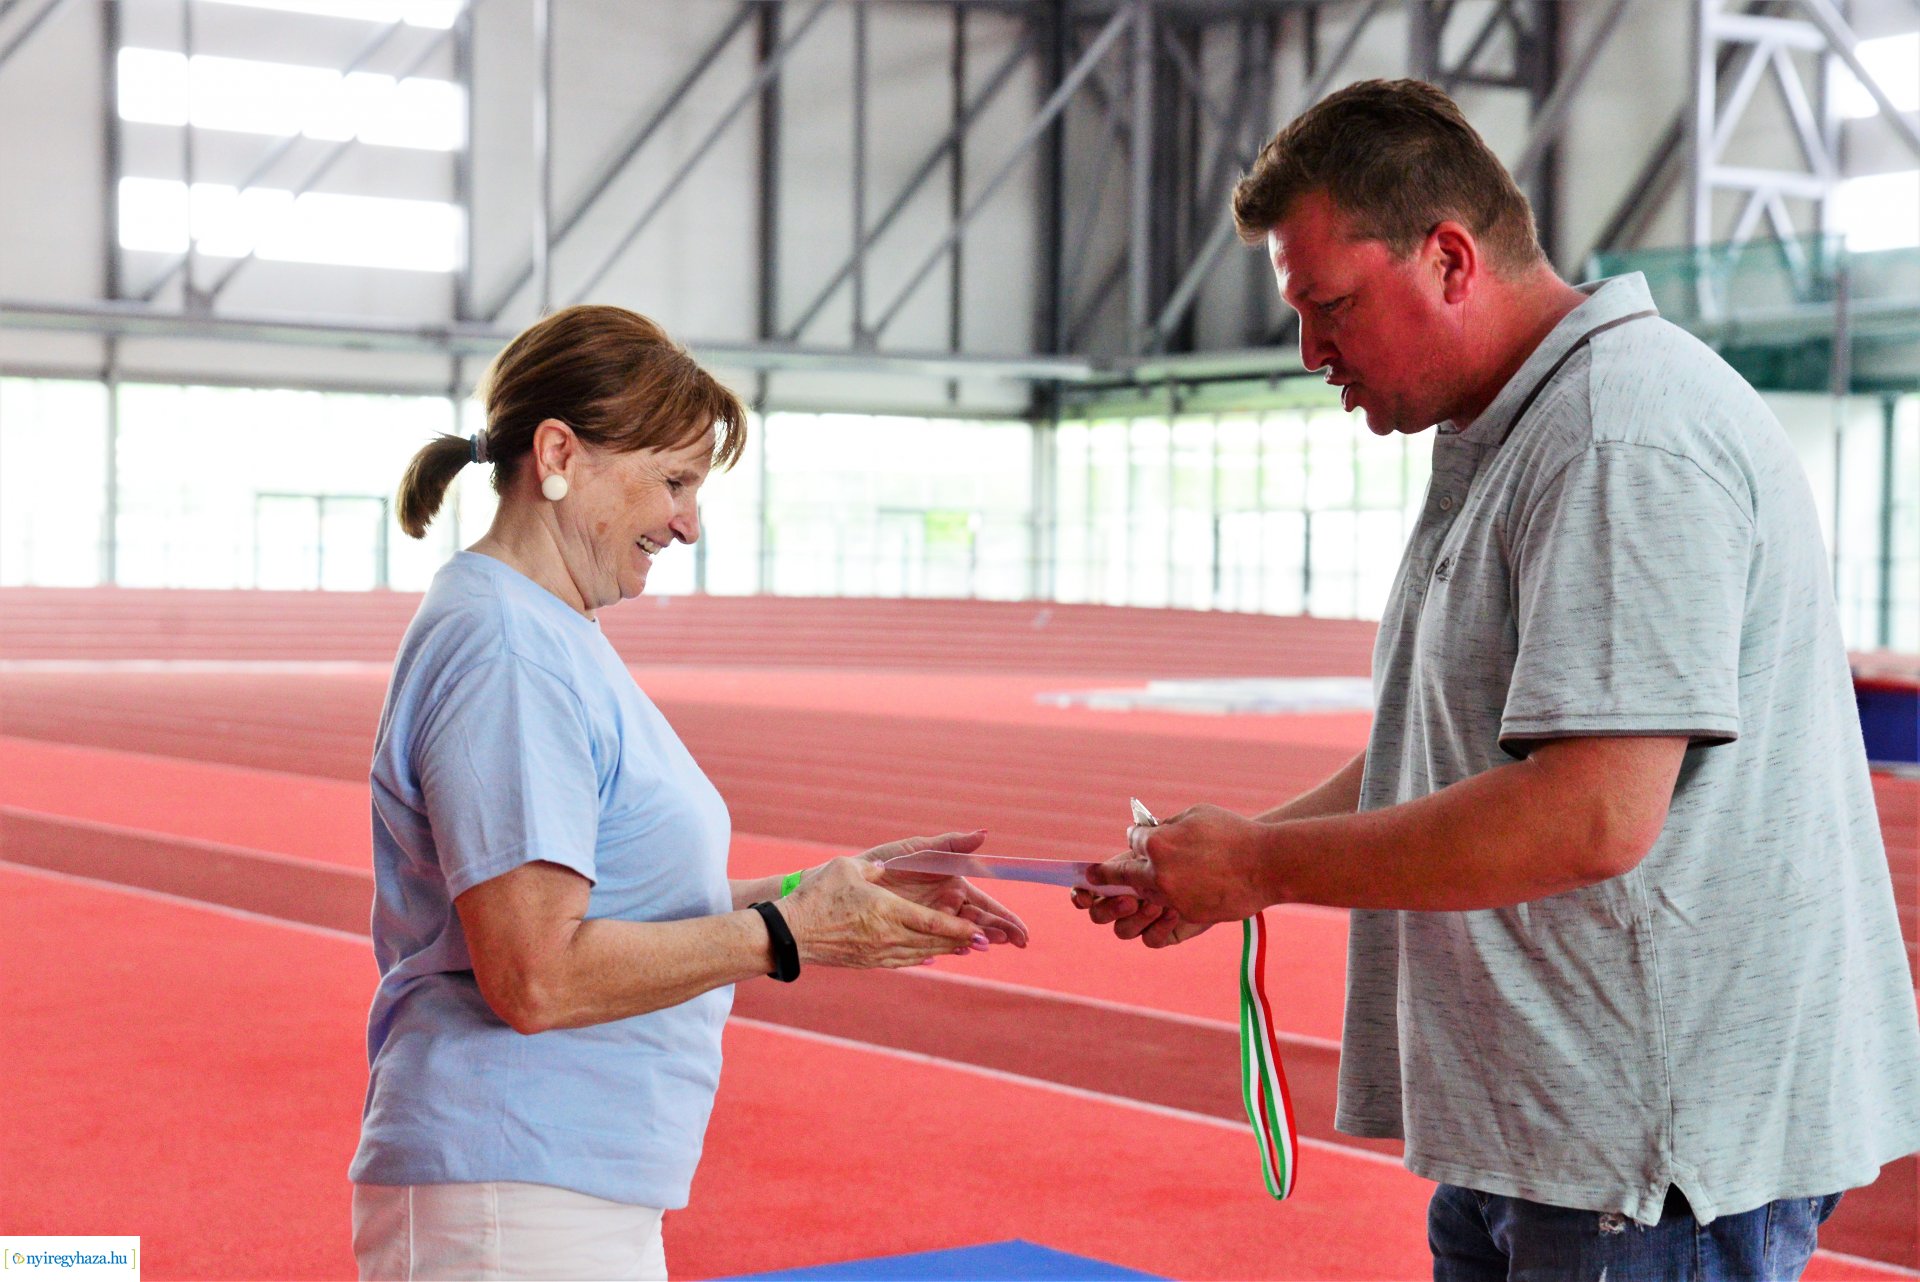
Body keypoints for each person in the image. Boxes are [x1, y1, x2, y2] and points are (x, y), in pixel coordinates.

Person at [1077, 79, 1920, 1281]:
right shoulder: (1513, 428)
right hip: (1549, 1135)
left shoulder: (1618, 436)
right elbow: (1450, 742)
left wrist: (1262, 864)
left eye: (1329, 306)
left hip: (1644, 1159)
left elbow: (1592, 811)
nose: (1312, 351)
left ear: (1452, 259)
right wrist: (1234, 866)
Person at [349, 304, 1028, 1282]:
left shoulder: (547, 632)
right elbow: (536, 977)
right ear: (559, 454)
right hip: (515, 1194)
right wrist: (792, 936)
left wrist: (838, 892)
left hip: (560, 1184)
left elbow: (624, 909)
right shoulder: (506, 646)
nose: (689, 523)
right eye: (674, 481)